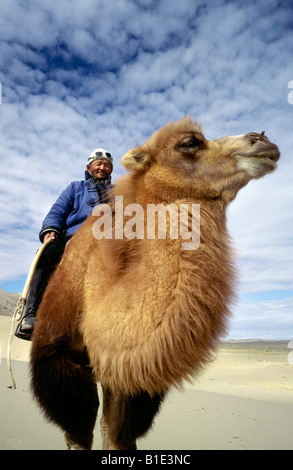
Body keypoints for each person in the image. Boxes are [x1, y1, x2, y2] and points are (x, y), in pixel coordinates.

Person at [15, 148, 113, 341]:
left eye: (107, 165)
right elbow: (58, 210)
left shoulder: (118, 192)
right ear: (89, 166)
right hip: (73, 238)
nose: (102, 167)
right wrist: (51, 228)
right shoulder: (75, 188)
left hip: (107, 241)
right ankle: (31, 314)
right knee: (43, 256)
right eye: (98, 164)